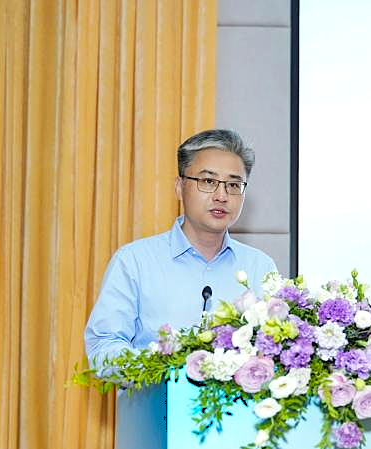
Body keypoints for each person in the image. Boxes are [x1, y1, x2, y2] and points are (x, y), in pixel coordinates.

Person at [84, 129, 278, 368]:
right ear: (179, 187)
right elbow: (102, 349)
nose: (221, 195)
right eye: (208, 181)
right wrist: (166, 367)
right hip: (155, 393)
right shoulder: (134, 262)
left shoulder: (260, 267)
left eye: (233, 184)